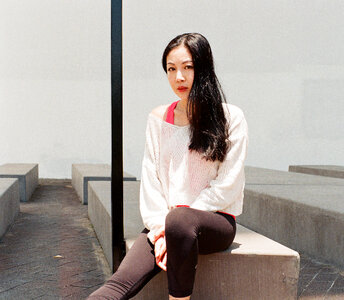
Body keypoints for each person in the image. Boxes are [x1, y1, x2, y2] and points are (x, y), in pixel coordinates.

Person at [87, 33, 248, 300]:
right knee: (110, 291)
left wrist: (175, 222)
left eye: (187, 67)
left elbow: (228, 185)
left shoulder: (231, 117)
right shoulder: (158, 119)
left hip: (215, 222)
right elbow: (151, 181)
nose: (179, 78)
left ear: (203, 67)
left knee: (180, 220)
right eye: (171, 69)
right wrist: (163, 228)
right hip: (165, 223)